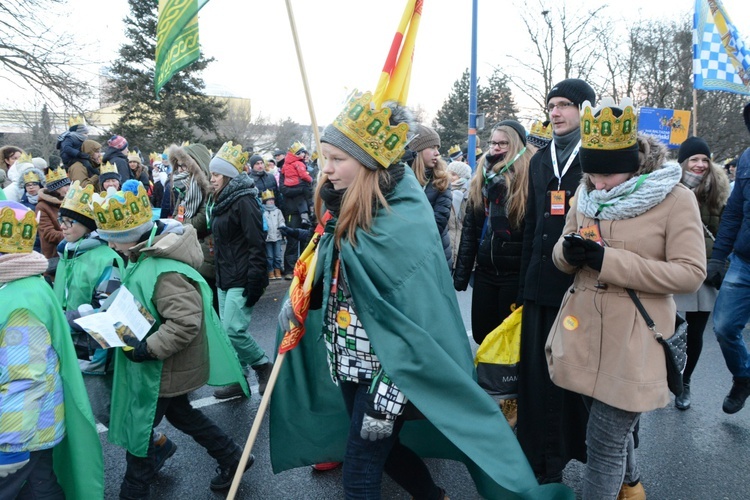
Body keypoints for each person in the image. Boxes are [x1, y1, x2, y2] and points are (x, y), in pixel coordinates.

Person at [269, 90, 573, 500]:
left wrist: (386, 393)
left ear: (368, 163)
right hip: (348, 359)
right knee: (386, 450)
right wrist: (304, 296)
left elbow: (414, 321)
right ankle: (433, 496)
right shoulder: (341, 208)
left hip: (389, 370)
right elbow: (339, 279)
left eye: (337, 159)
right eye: (324, 158)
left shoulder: (400, 218)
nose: (327, 169)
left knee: (359, 471)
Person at [547, 98, 706, 499]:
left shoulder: (674, 198)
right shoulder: (585, 192)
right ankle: (631, 484)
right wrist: (569, 254)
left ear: (634, 163)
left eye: (607, 174)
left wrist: (609, 261)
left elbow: (690, 273)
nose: (597, 185)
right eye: (591, 173)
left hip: (635, 339)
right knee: (610, 432)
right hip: (582, 330)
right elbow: (560, 254)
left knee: (602, 441)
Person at [91, 181, 254, 497]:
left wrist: (147, 349)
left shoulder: (163, 269)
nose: (110, 247)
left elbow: (184, 322)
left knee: (140, 427)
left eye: (113, 240)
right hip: (161, 366)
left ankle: (134, 488)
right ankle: (233, 457)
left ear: (130, 236)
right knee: (183, 415)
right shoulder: (142, 259)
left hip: (162, 365)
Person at [517, 78, 595, 484]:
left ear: (584, 111)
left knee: (577, 377)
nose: (556, 113)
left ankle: (602, 456)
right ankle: (542, 460)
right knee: (537, 374)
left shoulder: (598, 158)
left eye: (566, 105)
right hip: (540, 285)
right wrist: (524, 286)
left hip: (581, 287)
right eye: (552, 106)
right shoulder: (538, 160)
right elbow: (532, 224)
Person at [0, 200, 103, 500]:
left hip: (21, 432)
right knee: (40, 487)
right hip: (32, 425)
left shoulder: (19, 302)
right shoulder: (21, 285)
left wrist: (9, 445)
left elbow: (23, 380)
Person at [454, 120, 534, 344]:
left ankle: (505, 380)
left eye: (503, 143)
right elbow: (470, 229)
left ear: (516, 145)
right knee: (482, 334)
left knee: (508, 341)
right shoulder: (482, 176)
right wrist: (461, 274)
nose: (496, 148)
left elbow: (532, 234)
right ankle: (485, 379)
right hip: (485, 272)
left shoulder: (529, 177)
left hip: (514, 274)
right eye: (493, 143)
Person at [206, 142, 273, 399]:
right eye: (212, 174)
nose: (212, 179)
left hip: (243, 276)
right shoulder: (221, 199)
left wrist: (256, 277)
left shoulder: (244, 200)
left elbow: (256, 242)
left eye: (216, 174)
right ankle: (237, 377)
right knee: (226, 332)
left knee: (234, 329)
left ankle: (262, 365)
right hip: (225, 276)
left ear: (229, 175)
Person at [672, 136, 731, 410]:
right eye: (694, 159)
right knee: (664, 327)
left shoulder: (718, 189)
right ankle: (667, 377)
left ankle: (685, 383)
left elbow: (726, 229)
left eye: (704, 159)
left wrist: (720, 263)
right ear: (683, 161)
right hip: (672, 266)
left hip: (705, 271)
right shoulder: (668, 185)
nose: (699, 165)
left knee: (695, 333)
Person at [709, 102, 750, 415]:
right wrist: (718, 257)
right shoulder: (748, 159)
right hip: (743, 262)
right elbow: (734, 212)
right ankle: (743, 376)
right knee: (723, 327)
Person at [407, 124, 453, 268]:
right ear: (417, 150)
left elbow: (438, 222)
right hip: (406, 257)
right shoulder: (400, 178)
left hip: (435, 255)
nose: (437, 153)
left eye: (437, 148)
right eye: (432, 147)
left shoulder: (441, 180)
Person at [35, 167, 71, 260]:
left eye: (69, 185)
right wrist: (74, 234)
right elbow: (48, 233)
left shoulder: (71, 201)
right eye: (65, 186)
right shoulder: (42, 206)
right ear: (56, 189)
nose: (69, 188)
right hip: (55, 255)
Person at [446, 160, 472, 269]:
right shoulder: (444, 192)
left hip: (463, 244)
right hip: (448, 243)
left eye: (454, 174)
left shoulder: (470, 195)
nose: (450, 177)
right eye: (448, 173)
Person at [281, 141, 313, 225]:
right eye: (303, 154)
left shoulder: (310, 169)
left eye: (306, 154)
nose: (305, 156)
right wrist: (301, 189)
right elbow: (283, 189)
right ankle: (308, 212)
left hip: (304, 205)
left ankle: (309, 213)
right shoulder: (298, 164)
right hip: (293, 209)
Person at [262, 189, 285, 280]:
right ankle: (270, 271)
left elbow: (281, 220)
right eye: (269, 200)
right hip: (268, 238)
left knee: (278, 256)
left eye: (272, 200)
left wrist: (282, 227)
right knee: (269, 256)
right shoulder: (263, 212)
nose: (271, 201)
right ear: (265, 201)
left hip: (277, 236)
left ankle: (277, 270)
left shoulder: (278, 211)